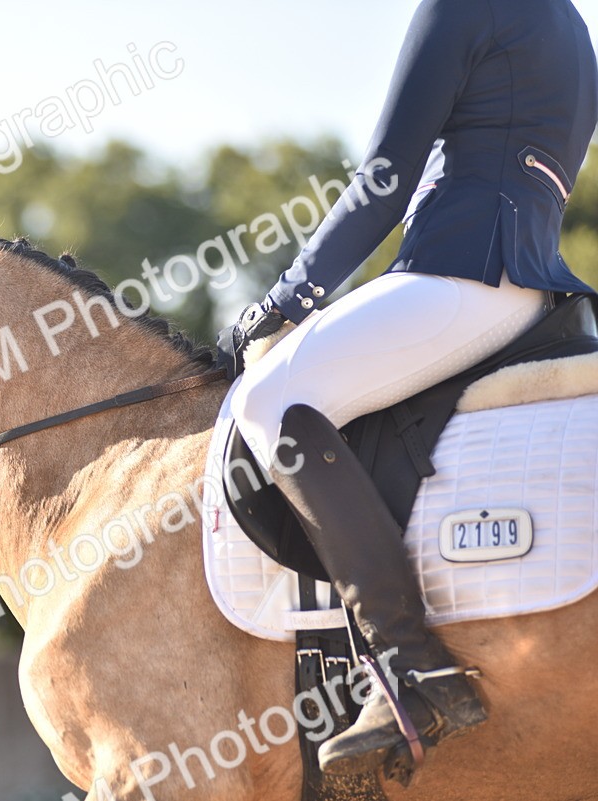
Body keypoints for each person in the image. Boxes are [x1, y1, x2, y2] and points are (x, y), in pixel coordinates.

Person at [217, 0, 598, 783]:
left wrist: (285, 299)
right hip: (528, 286)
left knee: (266, 402)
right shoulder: (568, 23)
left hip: (458, 272)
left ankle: (408, 664)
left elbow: (384, 177)